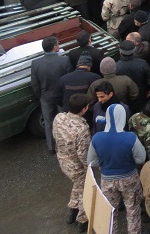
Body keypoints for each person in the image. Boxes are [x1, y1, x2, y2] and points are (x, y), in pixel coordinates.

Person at [87, 104, 147, 234]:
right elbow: (141, 158)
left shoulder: (97, 138)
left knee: (110, 211)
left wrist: (104, 163)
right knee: (133, 210)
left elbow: (91, 161)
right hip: (129, 177)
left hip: (107, 180)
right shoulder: (130, 137)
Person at [52, 94, 92, 232]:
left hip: (63, 160)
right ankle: (82, 220)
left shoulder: (59, 118)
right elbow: (83, 154)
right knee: (84, 191)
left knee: (78, 186)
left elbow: (55, 136)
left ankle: (72, 211)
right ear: (85, 108)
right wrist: (89, 169)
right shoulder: (82, 129)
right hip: (77, 166)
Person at [31, 35, 72, 153]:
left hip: (45, 96)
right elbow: (68, 79)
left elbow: (35, 84)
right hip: (61, 96)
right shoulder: (64, 60)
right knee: (65, 120)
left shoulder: (36, 63)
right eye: (58, 44)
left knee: (48, 122)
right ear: (55, 47)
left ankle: (51, 147)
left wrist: (40, 95)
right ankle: (68, 143)